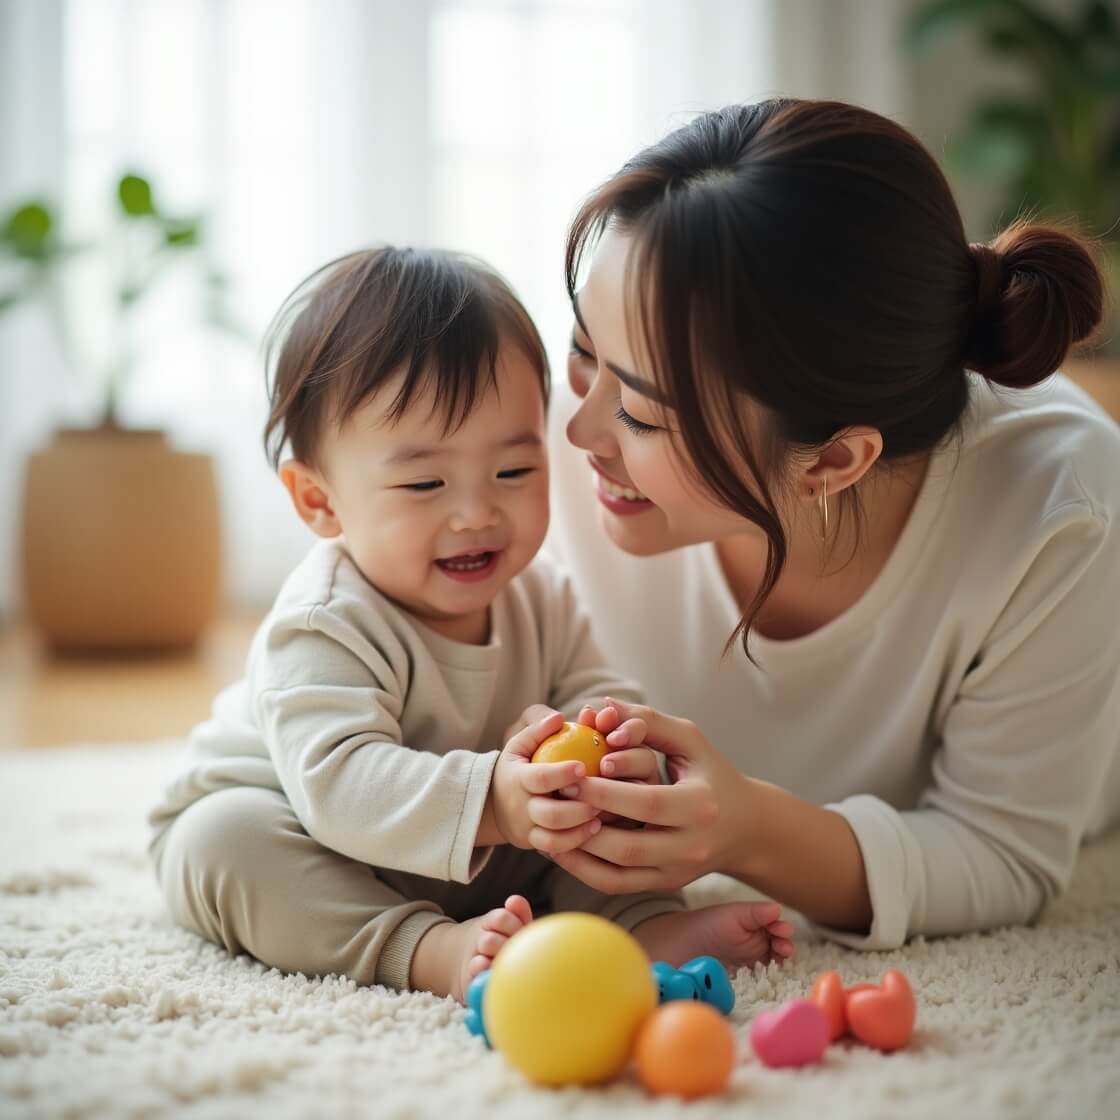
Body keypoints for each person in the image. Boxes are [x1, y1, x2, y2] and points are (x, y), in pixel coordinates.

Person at [543, 98, 1120, 950]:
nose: (577, 430)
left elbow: (1005, 854)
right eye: (584, 350)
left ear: (832, 461)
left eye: (640, 410)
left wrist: (749, 833)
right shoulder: (546, 452)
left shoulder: (1058, 510)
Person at [146, 247, 794, 1006]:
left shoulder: (543, 595)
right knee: (224, 844)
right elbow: (340, 785)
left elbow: (595, 691)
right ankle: (427, 950)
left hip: (491, 841)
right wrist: (496, 802)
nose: (476, 513)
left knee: (578, 833)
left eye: (514, 472)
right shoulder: (325, 621)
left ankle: (643, 927)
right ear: (319, 500)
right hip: (317, 835)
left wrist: (616, 757)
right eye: (425, 482)